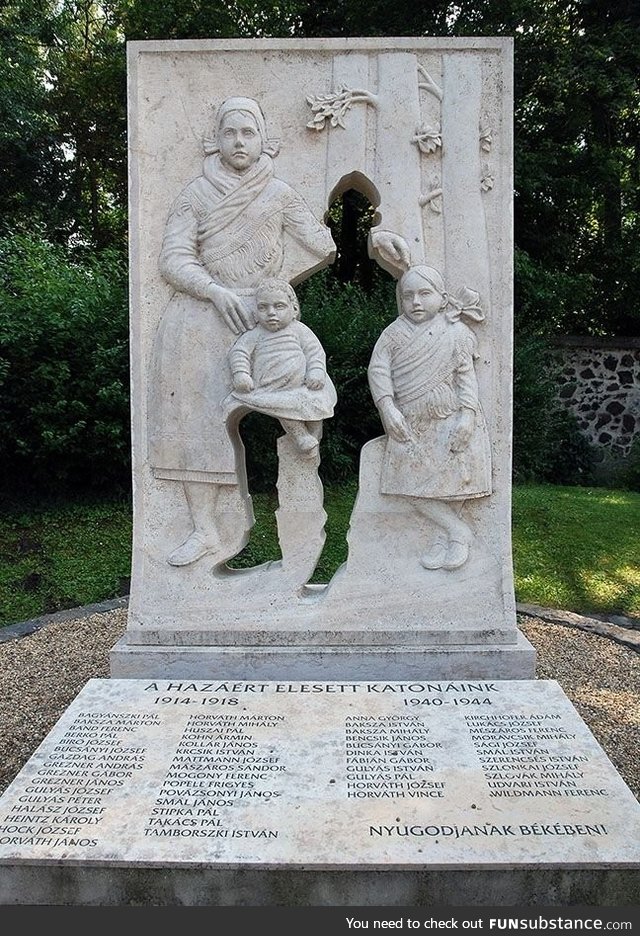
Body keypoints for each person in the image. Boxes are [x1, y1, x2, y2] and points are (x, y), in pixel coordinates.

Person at [148, 97, 336, 566]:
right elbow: (172, 258)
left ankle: (303, 471)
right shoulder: (194, 193)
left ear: (262, 139)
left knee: (292, 392)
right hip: (198, 317)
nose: (238, 142)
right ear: (216, 139)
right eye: (230, 133)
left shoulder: (280, 193)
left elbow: (321, 244)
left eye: (247, 133)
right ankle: (205, 530)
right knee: (194, 422)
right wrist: (214, 290)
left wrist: (271, 287)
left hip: (264, 315)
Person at [367, 264, 491, 571]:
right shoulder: (393, 333)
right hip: (408, 422)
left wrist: (468, 416)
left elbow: (466, 378)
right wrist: (387, 407)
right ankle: (457, 530)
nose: (416, 302)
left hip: (449, 419)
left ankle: (444, 538)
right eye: (408, 296)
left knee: (454, 481)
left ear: (443, 298)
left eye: (425, 294)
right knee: (409, 485)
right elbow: (378, 370)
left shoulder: (457, 333)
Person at [226, 278, 336, 456]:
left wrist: (316, 371)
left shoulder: (300, 330)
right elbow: (239, 353)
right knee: (284, 409)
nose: (271, 313)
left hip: (304, 385)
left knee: (316, 407)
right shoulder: (255, 335)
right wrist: (241, 374)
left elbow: (315, 352)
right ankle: (300, 436)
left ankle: (314, 436)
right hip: (272, 389)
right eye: (263, 307)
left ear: (294, 309)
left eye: (279, 306)